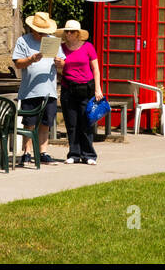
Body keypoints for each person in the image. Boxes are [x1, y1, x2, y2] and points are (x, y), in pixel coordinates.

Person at [13, 11, 64, 165]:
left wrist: (60, 63)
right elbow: (17, 63)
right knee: (29, 122)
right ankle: (27, 152)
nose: (41, 34)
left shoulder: (53, 41)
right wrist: (31, 59)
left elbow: (63, 65)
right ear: (32, 29)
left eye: (44, 31)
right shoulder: (23, 41)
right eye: (39, 31)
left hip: (49, 90)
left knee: (46, 123)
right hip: (30, 90)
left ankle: (43, 152)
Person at [55, 19, 103, 164]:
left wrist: (97, 88)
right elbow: (58, 71)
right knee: (71, 123)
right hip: (68, 88)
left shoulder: (88, 47)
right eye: (67, 31)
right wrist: (60, 66)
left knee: (86, 123)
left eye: (72, 31)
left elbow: (96, 69)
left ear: (78, 34)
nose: (68, 33)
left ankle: (89, 155)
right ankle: (74, 154)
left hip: (86, 88)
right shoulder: (60, 48)